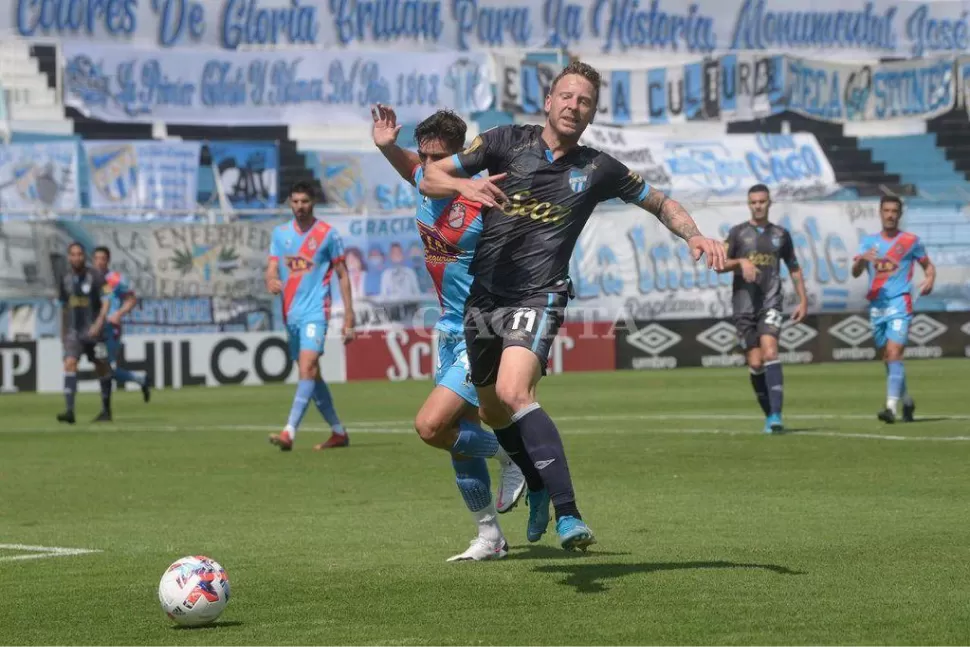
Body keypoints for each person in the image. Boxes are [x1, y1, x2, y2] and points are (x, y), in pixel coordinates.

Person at [419, 61, 726, 551]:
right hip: (483, 299)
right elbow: (429, 176)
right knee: (496, 413)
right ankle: (535, 483)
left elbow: (661, 202)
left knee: (515, 391)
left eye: (584, 101)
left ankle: (569, 514)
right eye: (566, 96)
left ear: (591, 113)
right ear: (548, 100)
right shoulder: (502, 142)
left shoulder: (597, 168)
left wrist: (695, 235)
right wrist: (463, 184)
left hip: (540, 294)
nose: (573, 106)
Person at [372, 103, 527, 562]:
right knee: (459, 439)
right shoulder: (424, 182)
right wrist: (385, 147)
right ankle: (489, 537)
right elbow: (412, 167)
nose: (425, 166)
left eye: (436, 159)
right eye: (422, 157)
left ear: (460, 157)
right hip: (446, 327)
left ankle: (510, 452)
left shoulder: (484, 199)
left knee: (431, 425)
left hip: (483, 327)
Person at [266, 181, 356, 451]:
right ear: (290, 203)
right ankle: (338, 432)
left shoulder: (327, 234)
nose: (299, 207)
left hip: (316, 311)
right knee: (311, 374)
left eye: (304, 202)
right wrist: (270, 280)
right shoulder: (280, 235)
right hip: (290, 314)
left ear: (313, 203)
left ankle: (289, 432)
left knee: (307, 367)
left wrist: (349, 316)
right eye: (295, 202)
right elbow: (271, 268)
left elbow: (342, 275)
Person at [718, 184, 807, 434]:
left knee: (770, 352)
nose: (758, 206)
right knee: (755, 363)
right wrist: (740, 262)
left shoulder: (781, 234)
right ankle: (769, 415)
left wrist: (803, 300)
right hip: (743, 307)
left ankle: (777, 415)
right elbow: (719, 264)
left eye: (762, 202)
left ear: (769, 203)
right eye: (754, 202)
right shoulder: (737, 234)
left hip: (771, 302)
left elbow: (794, 267)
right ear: (749, 204)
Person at [851, 196, 935, 423]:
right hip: (877, 306)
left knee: (895, 352)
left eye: (894, 211)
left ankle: (890, 408)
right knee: (888, 357)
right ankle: (907, 400)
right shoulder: (868, 242)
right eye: (886, 210)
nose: (890, 215)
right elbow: (855, 272)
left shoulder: (911, 241)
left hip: (900, 302)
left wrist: (930, 279)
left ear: (899, 214)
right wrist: (861, 261)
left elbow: (928, 265)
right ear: (880, 213)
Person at [56, 242, 114, 424]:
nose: (77, 257)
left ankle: (106, 410)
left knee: (102, 366)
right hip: (74, 332)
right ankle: (70, 411)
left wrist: (99, 322)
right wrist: (63, 333)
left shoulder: (96, 276)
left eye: (80, 254)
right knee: (70, 363)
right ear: (69, 257)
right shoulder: (64, 278)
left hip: (94, 332)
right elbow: (63, 307)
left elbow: (106, 300)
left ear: (84, 256)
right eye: (73, 254)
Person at [91, 246, 152, 403]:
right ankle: (140, 380)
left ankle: (106, 409)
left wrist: (118, 314)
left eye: (102, 259)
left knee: (107, 368)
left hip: (111, 328)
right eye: (96, 258)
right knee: (102, 367)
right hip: (93, 327)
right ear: (92, 260)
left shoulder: (115, 279)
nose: (99, 262)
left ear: (108, 261)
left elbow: (131, 299)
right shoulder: (88, 279)